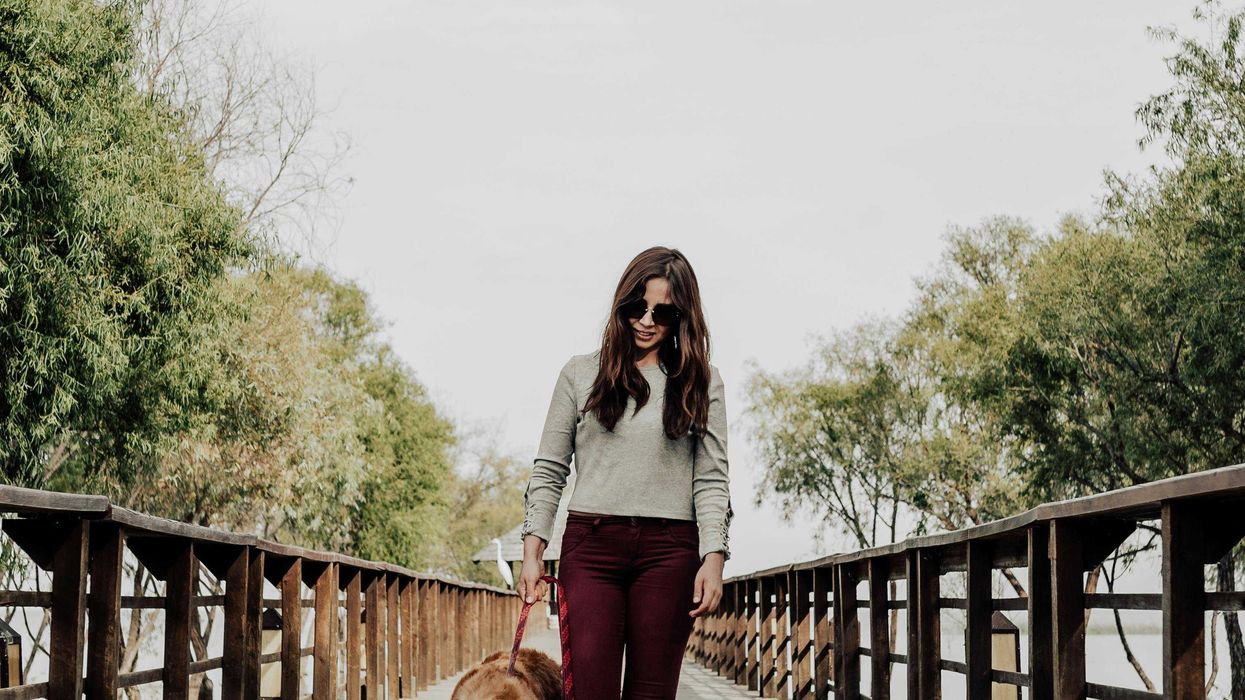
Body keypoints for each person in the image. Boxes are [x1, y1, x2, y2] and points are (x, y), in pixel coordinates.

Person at [517, 246, 733, 699]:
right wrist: (533, 549)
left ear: (683, 317)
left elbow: (711, 479)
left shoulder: (702, 382)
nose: (647, 320)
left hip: (669, 554)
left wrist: (713, 558)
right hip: (591, 549)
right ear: (622, 304)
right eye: (637, 306)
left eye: (663, 311)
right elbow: (550, 467)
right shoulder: (580, 374)